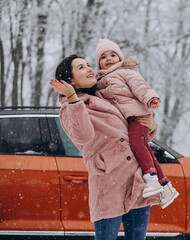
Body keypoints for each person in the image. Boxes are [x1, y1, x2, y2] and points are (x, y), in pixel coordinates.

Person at [50, 54, 160, 240]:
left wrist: (148, 123)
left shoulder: (106, 98)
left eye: (87, 65)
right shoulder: (70, 109)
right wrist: (72, 98)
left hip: (135, 180)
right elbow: (84, 137)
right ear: (70, 81)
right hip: (109, 183)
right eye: (81, 68)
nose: (89, 68)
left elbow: (134, 135)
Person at [95, 38, 179, 208]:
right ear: (99, 62)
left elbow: (141, 86)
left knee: (137, 145)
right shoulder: (101, 80)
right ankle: (165, 186)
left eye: (112, 55)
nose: (108, 59)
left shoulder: (126, 72)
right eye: (103, 57)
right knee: (145, 148)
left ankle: (151, 177)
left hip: (140, 115)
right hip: (132, 117)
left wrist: (151, 99)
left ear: (120, 58)